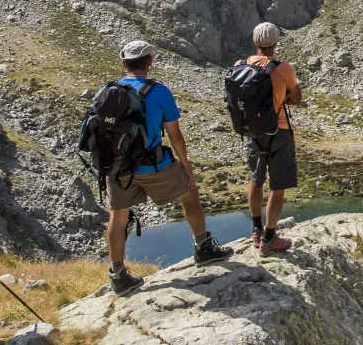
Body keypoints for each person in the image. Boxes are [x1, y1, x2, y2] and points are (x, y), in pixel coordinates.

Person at [106, 40, 229, 295]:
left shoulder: (108, 92)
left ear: (123, 63)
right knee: (189, 194)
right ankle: (203, 248)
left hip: (118, 168)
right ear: (149, 63)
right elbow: (175, 136)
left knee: (118, 217)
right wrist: (186, 168)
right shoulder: (159, 92)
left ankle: (118, 275)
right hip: (154, 166)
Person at [234, 22, 301, 254]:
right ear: (276, 42)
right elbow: (296, 98)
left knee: (256, 179)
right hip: (278, 130)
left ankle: (255, 229)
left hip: (252, 131)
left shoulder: (239, 66)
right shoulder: (284, 69)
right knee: (278, 185)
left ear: (255, 41)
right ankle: (270, 237)